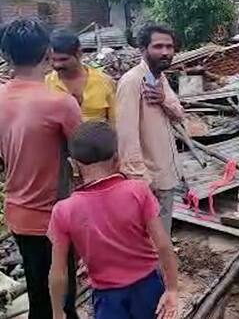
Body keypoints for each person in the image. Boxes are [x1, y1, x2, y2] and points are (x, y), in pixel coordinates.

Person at [48, 121, 178, 319]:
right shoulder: (138, 191)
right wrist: (172, 289)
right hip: (148, 287)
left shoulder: (64, 210)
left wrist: (58, 313)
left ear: (73, 165)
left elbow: (59, 272)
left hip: (108, 298)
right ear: (117, 159)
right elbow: (163, 244)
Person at [0, 19, 81, 319]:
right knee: (62, 302)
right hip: (52, 217)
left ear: (6, 55)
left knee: (39, 293)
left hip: (17, 213)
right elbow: (85, 155)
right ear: (48, 53)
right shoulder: (60, 103)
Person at [116, 24, 185, 235]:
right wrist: (141, 181)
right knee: (151, 240)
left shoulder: (160, 78)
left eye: (169, 47)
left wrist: (163, 100)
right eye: (158, 46)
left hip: (165, 175)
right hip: (149, 180)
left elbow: (179, 115)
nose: (165, 52)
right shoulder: (132, 82)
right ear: (143, 49)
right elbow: (126, 136)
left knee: (162, 236)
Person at [46, 30, 116, 124]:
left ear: (79, 54)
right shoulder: (45, 84)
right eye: (53, 60)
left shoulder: (104, 82)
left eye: (63, 59)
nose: (57, 65)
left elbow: (115, 121)